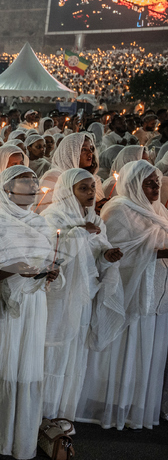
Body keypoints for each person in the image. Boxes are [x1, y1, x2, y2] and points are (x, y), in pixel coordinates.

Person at [0, 166, 60, 460]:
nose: (32, 188)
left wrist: (49, 273)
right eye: (24, 183)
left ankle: (19, 436)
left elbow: (46, 260)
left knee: (25, 364)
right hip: (2, 306)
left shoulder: (40, 224)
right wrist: (14, 270)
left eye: (34, 183)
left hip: (33, 304)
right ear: (7, 190)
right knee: (1, 362)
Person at [78, 160, 168, 430]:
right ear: (133, 184)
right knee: (121, 349)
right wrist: (159, 253)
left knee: (145, 350)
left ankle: (135, 406)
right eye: (148, 183)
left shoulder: (159, 210)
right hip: (126, 290)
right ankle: (107, 403)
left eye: (157, 183)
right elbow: (112, 253)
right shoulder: (118, 209)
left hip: (154, 292)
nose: (155, 188)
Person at [40, 169, 124, 423]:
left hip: (84, 293)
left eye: (92, 187)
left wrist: (107, 257)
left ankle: (64, 414)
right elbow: (49, 254)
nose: (90, 193)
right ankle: (43, 414)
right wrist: (78, 233)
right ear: (69, 191)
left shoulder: (95, 219)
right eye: (83, 188)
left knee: (75, 353)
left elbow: (96, 254)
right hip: (60, 295)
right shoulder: (52, 216)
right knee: (55, 352)